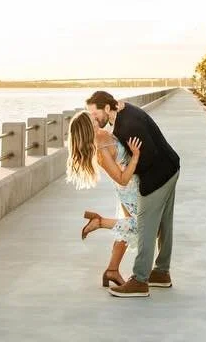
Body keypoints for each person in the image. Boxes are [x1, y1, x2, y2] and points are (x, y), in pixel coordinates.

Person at [85, 90, 181, 298]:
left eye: (95, 114)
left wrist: (131, 164)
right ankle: (161, 273)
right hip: (170, 167)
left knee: (146, 227)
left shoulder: (127, 126)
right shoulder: (123, 116)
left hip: (158, 176)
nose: (93, 119)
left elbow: (148, 156)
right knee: (164, 223)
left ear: (108, 108)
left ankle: (139, 280)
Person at [66, 112, 142, 287]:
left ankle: (112, 271)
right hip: (128, 188)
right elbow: (122, 178)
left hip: (132, 184)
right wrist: (136, 156)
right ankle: (99, 222)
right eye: (91, 119)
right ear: (88, 128)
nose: (95, 117)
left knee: (127, 229)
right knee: (139, 226)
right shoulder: (100, 150)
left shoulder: (102, 133)